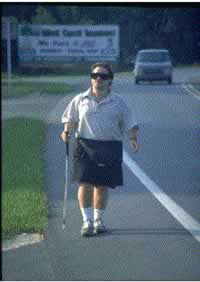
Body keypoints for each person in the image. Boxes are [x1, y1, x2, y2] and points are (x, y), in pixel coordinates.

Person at [61, 62, 139, 237]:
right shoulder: (80, 99)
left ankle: (98, 220)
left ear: (110, 80)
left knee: (102, 186)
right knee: (85, 183)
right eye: (95, 76)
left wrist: (133, 138)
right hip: (84, 146)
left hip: (109, 146)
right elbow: (70, 119)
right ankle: (87, 221)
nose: (99, 79)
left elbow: (130, 122)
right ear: (91, 79)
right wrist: (66, 132)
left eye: (103, 76)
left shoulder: (118, 102)